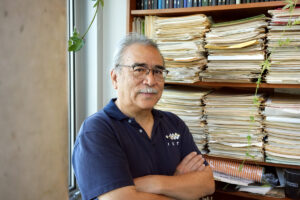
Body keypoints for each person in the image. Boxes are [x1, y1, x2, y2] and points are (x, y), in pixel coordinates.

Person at [72, 33, 215, 200]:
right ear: (115, 78)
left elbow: (207, 183)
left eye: (157, 71)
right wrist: (180, 186)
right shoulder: (97, 130)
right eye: (139, 70)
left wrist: (152, 183)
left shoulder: (173, 123)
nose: (150, 80)